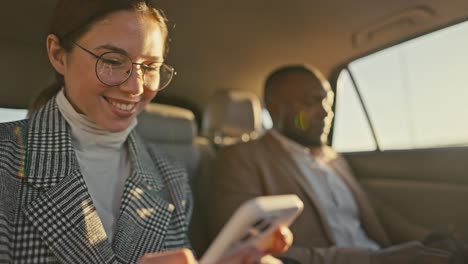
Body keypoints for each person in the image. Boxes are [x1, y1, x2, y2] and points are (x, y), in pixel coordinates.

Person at [0, 1, 292, 263]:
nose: (136, 88)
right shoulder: (6, 158)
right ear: (58, 55)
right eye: (113, 61)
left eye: (150, 67)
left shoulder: (171, 176)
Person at [202, 64, 467, 264]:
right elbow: (245, 249)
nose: (325, 111)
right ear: (274, 107)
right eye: (310, 102)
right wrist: (376, 260)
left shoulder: (333, 158)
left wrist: (429, 239)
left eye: (326, 101)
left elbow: (376, 212)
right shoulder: (241, 158)